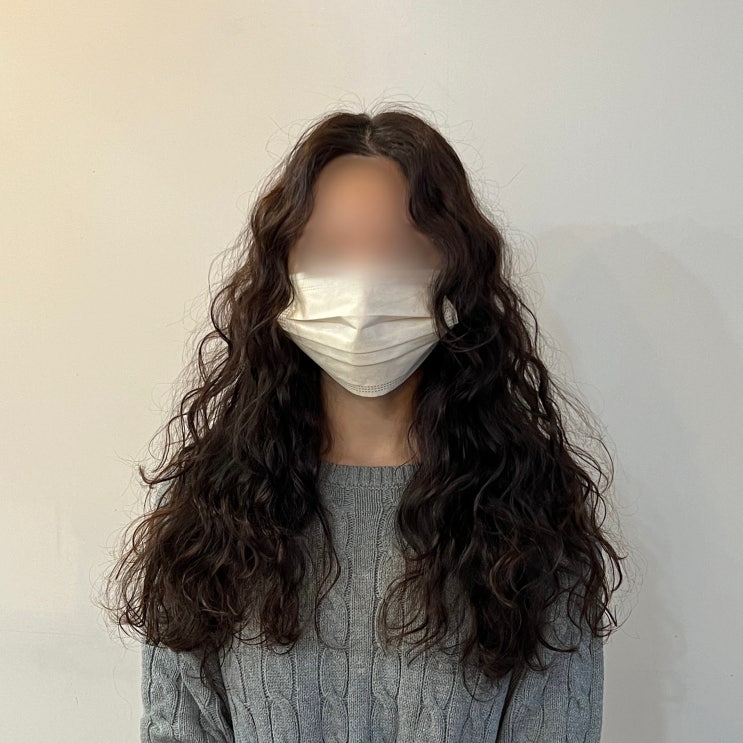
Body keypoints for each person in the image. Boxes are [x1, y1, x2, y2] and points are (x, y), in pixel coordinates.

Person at [101, 105, 626, 742]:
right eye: (329, 251)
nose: (364, 285)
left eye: (402, 251)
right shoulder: (210, 512)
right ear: (282, 279)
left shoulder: (529, 515)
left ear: (456, 278)